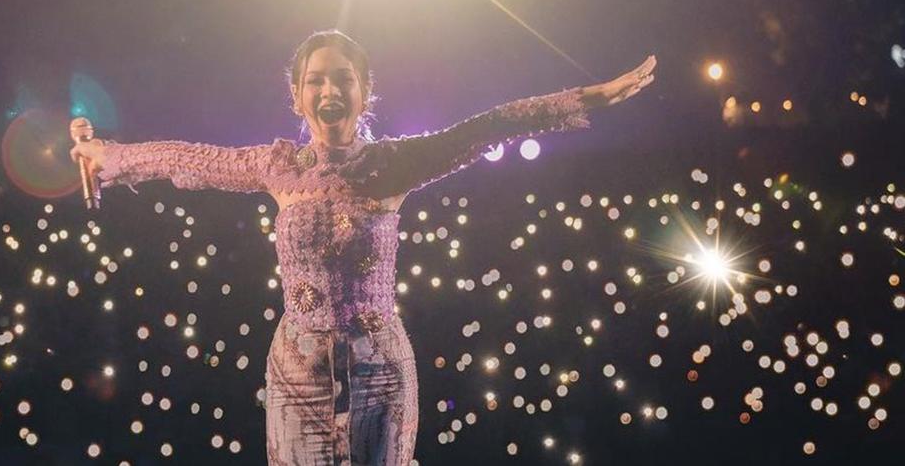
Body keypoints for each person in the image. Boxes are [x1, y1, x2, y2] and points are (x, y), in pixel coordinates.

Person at [70, 30, 655, 465]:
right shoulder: (276, 165)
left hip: (380, 369)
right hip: (297, 371)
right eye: (316, 80)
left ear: (364, 91)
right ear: (297, 96)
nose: (329, 89)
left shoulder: (394, 164)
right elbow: (185, 158)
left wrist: (584, 100)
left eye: (343, 78)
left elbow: (488, 128)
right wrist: (105, 155)